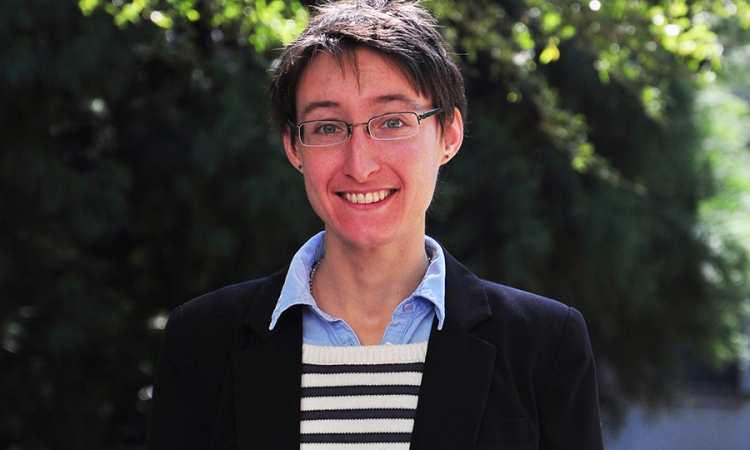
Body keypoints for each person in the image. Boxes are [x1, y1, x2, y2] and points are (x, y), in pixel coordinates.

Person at [145, 0, 604, 448]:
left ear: (449, 134)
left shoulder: (544, 344)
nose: (359, 165)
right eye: (327, 127)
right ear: (293, 148)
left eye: (392, 122)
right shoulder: (202, 342)